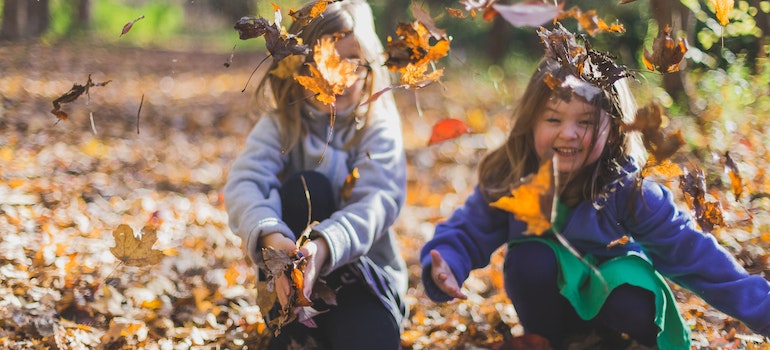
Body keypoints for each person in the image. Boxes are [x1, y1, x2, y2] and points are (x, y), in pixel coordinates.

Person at [420, 26, 770, 349]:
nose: (568, 133)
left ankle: (620, 343)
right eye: (553, 119)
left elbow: (695, 255)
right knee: (530, 258)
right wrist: (448, 263)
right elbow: (469, 230)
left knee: (625, 288)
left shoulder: (628, 189)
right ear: (531, 122)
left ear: (614, 130)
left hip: (620, 306)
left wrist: (763, 309)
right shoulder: (513, 176)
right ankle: (552, 341)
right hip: (551, 308)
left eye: (585, 123)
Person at [224, 1, 406, 349]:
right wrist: (273, 241)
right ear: (299, 64)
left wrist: (324, 248)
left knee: (371, 340)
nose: (337, 74)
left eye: (352, 59)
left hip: (364, 283)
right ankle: (291, 322)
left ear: (369, 64)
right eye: (323, 58)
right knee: (306, 187)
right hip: (289, 284)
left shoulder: (376, 127)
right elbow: (245, 182)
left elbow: (378, 200)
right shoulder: (281, 124)